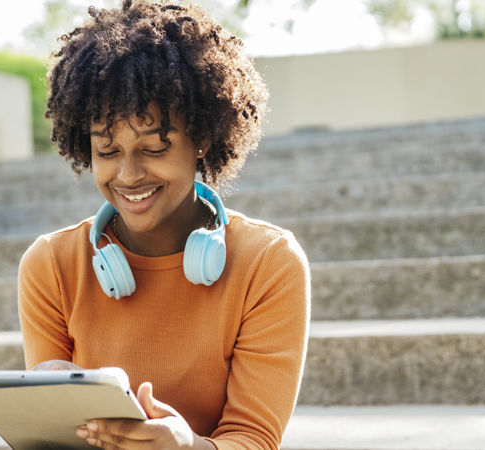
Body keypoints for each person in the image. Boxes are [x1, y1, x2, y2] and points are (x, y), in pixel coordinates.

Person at [18, 2, 310, 450]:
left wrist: (188, 446)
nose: (129, 175)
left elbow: (253, 438)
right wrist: (47, 408)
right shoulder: (51, 265)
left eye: (154, 148)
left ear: (203, 138)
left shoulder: (268, 262)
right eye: (108, 150)